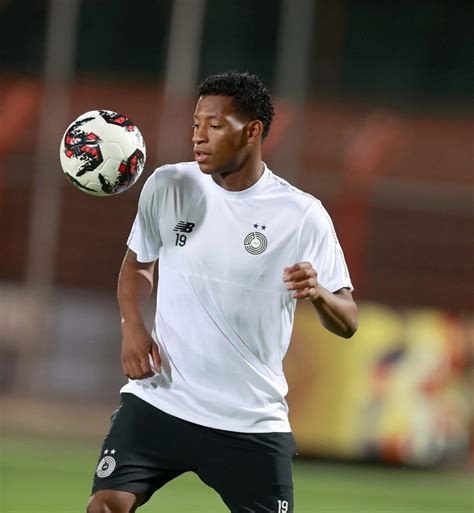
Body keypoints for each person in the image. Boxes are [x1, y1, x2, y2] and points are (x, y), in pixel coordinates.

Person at [87, 71, 358, 513]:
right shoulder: (168, 184)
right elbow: (138, 265)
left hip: (248, 421)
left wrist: (320, 294)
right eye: (196, 124)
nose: (199, 137)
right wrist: (132, 326)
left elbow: (348, 320)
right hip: (161, 399)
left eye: (215, 125)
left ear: (252, 131)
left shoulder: (302, 215)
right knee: (106, 505)